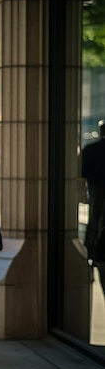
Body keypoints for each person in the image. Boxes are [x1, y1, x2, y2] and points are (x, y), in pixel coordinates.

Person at [81, 119, 105, 297]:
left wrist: (82, 199)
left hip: (96, 195)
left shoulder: (90, 150)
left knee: (94, 222)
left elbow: (81, 181)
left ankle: (92, 256)